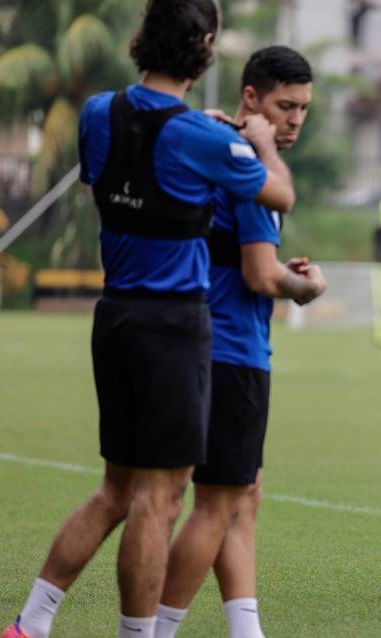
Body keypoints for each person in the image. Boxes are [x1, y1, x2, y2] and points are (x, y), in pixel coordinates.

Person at [2, 0, 296, 638]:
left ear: (141, 39)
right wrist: (258, 141)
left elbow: (112, 183)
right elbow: (281, 193)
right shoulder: (202, 137)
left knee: (116, 492)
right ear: (206, 49)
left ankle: (31, 622)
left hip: (115, 317)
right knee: (161, 501)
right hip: (173, 327)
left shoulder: (97, 113)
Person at [153, 45, 326, 638]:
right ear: (250, 98)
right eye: (285, 105)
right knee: (216, 504)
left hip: (196, 343)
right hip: (233, 351)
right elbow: (259, 274)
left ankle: (245, 628)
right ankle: (156, 629)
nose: (295, 119)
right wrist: (304, 287)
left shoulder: (212, 147)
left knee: (241, 498)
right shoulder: (253, 168)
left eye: (303, 108)